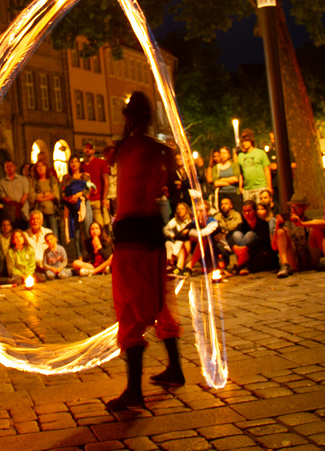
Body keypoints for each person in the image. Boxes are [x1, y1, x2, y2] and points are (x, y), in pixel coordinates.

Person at [105, 91, 183, 411]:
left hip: (130, 235)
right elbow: (173, 168)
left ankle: (134, 390)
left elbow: (117, 157)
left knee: (129, 309)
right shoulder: (155, 148)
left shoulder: (125, 148)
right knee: (160, 301)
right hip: (152, 231)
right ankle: (175, 368)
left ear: (129, 118)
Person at [272, 195, 325, 277]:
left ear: (304, 208)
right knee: (281, 231)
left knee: (316, 228)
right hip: (294, 259)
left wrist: (302, 224)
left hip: (310, 255)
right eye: (292, 208)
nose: (293, 211)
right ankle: (285, 265)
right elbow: (274, 247)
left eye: (297, 208)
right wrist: (278, 226)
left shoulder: (309, 221)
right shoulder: (287, 223)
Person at [228, 200, 277, 275]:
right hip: (247, 253)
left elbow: (262, 239)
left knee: (250, 235)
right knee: (236, 234)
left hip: (261, 255)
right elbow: (230, 237)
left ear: (255, 211)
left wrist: (245, 247)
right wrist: (235, 247)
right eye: (244, 212)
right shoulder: (243, 225)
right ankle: (243, 264)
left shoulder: (262, 223)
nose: (247, 214)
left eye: (249, 211)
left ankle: (241, 265)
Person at [62, 156, 94, 250]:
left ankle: (90, 254)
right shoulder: (66, 177)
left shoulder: (85, 175)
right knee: (75, 234)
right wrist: (69, 199)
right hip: (71, 206)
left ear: (79, 163)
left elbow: (88, 191)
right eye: (72, 162)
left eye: (76, 161)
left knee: (88, 231)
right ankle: (79, 256)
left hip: (84, 205)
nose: (74, 164)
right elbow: (63, 192)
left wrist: (78, 195)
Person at [81, 142, 111, 233]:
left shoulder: (100, 163)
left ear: (93, 151)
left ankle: (102, 243)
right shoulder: (81, 166)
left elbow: (106, 181)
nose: (87, 150)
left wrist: (104, 198)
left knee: (100, 226)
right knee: (87, 228)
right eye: (86, 148)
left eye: (89, 148)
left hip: (97, 200)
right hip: (86, 200)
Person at [237, 131, 271, 202]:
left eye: (246, 141)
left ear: (251, 141)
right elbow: (240, 173)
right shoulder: (240, 156)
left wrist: (269, 186)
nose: (244, 143)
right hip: (247, 189)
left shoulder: (260, 153)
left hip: (261, 187)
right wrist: (240, 187)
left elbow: (266, 170)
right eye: (242, 142)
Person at [0, 160, 31, 230]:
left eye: (11, 166)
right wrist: (15, 205)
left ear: (14, 167)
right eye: (7, 166)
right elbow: (3, 196)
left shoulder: (23, 179)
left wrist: (20, 205)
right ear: (4, 169)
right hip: (11, 213)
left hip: (23, 210)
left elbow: (26, 193)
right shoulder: (2, 183)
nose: (9, 168)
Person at [211, 147, 241, 212]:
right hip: (222, 193)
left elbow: (236, 179)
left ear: (229, 154)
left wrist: (221, 179)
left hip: (234, 193)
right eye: (221, 153)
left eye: (225, 153)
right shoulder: (216, 167)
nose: (223, 155)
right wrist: (230, 181)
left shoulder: (234, 165)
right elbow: (216, 183)